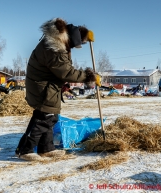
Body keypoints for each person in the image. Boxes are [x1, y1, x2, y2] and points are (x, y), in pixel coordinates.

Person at [15, 18, 100, 161]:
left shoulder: (58, 42)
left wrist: (84, 35)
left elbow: (59, 71)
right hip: (42, 87)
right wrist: (88, 77)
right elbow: (66, 72)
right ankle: (25, 149)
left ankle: (46, 149)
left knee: (51, 117)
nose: (73, 48)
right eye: (75, 44)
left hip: (48, 85)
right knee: (44, 118)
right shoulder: (54, 48)